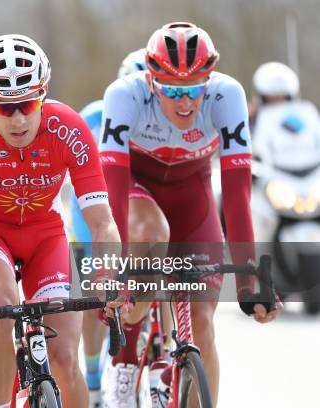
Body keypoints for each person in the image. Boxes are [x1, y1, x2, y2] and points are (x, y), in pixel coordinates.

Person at [98, 22, 283, 407]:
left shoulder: (227, 95)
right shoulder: (123, 96)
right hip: (138, 190)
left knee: (201, 326)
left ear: (209, 80)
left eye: (194, 89)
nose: (185, 103)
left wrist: (251, 278)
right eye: (172, 91)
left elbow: (236, 195)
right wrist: (116, 273)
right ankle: (126, 357)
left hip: (193, 198)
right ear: (151, 82)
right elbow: (112, 195)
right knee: (151, 234)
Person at [0, 34, 126, 408]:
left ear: (43, 93)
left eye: (28, 103)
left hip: (47, 236)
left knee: (62, 358)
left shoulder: (70, 129)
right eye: (3, 106)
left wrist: (108, 276)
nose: (18, 118)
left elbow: (103, 223)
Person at [67, 47, 147, 408]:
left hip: (138, 210)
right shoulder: (95, 116)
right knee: (91, 296)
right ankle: (95, 374)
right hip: (94, 216)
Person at [249, 61, 300, 131]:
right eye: (271, 101)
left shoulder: (299, 123)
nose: (276, 107)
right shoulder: (250, 123)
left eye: (281, 100)